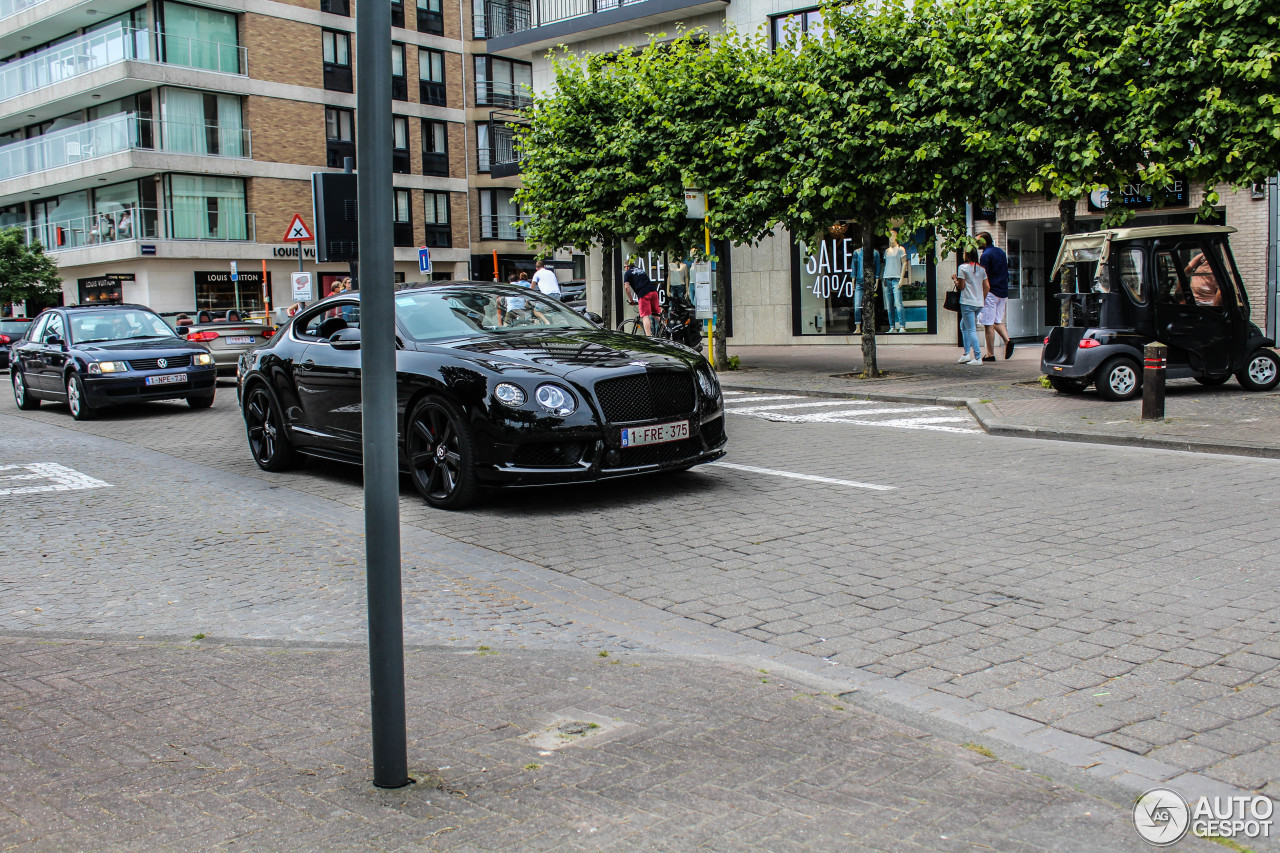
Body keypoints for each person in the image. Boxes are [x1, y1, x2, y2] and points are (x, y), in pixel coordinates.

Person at [977, 231, 1013, 361]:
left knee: (988, 324)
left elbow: (983, 276)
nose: (976, 243)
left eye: (978, 241)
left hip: (991, 292)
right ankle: (1008, 341)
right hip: (1003, 291)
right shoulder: (1000, 252)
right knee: (997, 320)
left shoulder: (985, 255)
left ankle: (990, 354)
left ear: (984, 242)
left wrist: (982, 294)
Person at [952, 249, 988, 364]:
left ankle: (977, 357)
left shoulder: (962, 268)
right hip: (978, 303)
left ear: (966, 255)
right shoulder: (981, 269)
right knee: (963, 325)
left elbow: (961, 286)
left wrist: (955, 280)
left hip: (967, 302)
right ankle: (966, 353)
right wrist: (982, 298)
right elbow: (987, 286)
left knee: (971, 329)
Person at [623, 257, 660, 336]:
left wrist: (631, 300)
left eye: (624, 267)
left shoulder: (627, 273)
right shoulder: (641, 270)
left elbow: (626, 287)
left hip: (644, 293)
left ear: (627, 266)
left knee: (645, 315)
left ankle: (648, 337)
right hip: (653, 291)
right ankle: (666, 327)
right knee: (655, 313)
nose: (624, 269)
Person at [882, 229, 908, 333]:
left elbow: (904, 263)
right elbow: (886, 265)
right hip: (887, 278)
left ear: (896, 237)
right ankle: (892, 326)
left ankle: (902, 326)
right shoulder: (887, 251)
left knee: (898, 303)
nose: (891, 238)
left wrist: (902, 279)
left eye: (892, 236)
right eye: (889, 236)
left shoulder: (900, 249)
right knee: (889, 304)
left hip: (896, 279)